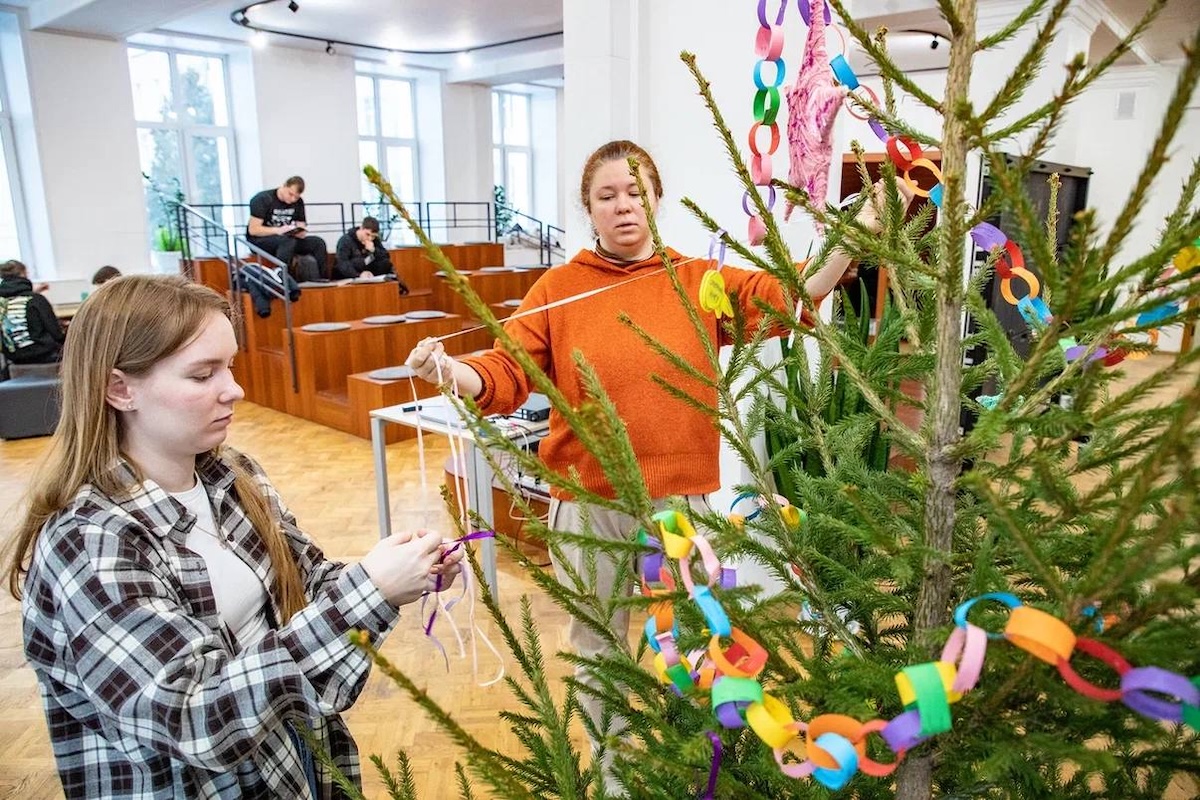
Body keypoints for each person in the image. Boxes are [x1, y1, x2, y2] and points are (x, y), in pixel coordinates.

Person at [404, 139, 910, 786]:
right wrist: (451, 371)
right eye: (607, 194)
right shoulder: (558, 289)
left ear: (656, 198)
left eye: (635, 190)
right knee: (600, 651)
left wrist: (858, 230)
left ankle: (700, 769)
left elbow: (793, 292)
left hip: (683, 504)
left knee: (703, 645)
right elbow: (507, 368)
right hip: (588, 505)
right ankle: (615, 779)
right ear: (587, 208)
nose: (623, 205)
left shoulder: (698, 282)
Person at [3, 274, 462, 798]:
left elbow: (307, 581)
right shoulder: (91, 542)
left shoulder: (233, 475)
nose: (235, 389)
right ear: (119, 388)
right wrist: (370, 593)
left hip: (292, 766)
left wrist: (396, 571)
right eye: (203, 374)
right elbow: (195, 717)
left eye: (231, 366)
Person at [247, 176, 329, 282]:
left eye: (296, 197)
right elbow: (253, 230)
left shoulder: (298, 202)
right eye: (290, 194)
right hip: (260, 240)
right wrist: (278, 230)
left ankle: (322, 280)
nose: (292, 199)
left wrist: (299, 232)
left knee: (318, 242)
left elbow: (301, 224)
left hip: (287, 239)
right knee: (287, 242)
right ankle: (283, 279)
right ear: (284, 186)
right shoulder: (263, 199)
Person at [1, 259, 65, 364]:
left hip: (15, 358)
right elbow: (56, 332)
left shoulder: (2, 303)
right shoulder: (36, 300)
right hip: (43, 354)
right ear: (23, 274)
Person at [333, 217, 404, 292]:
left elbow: (385, 256)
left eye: (373, 236)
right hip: (351, 274)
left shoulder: (374, 240)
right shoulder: (345, 240)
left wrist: (374, 250)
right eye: (367, 234)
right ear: (361, 228)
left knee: (385, 263)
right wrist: (359, 275)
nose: (370, 238)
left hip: (368, 273)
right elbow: (342, 263)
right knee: (356, 262)